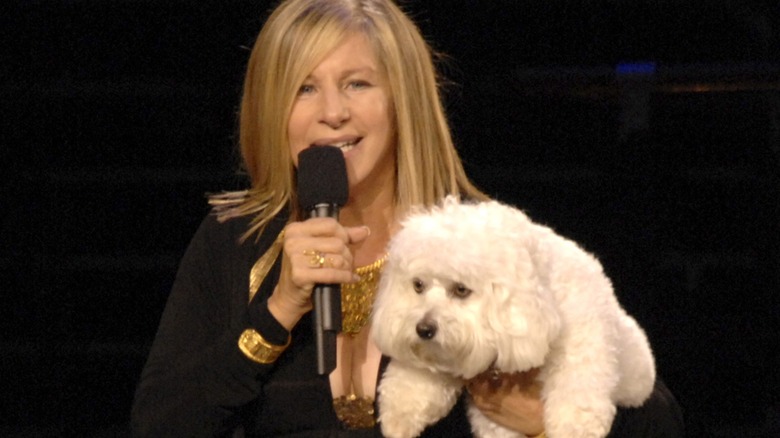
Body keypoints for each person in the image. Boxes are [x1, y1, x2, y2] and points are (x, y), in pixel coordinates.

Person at [131, 0, 685, 436]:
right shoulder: (236, 241)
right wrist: (274, 313)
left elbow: (658, 419)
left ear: (403, 101)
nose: (332, 112)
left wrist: (546, 423)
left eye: (357, 83)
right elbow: (160, 424)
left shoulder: (482, 241)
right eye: (304, 88)